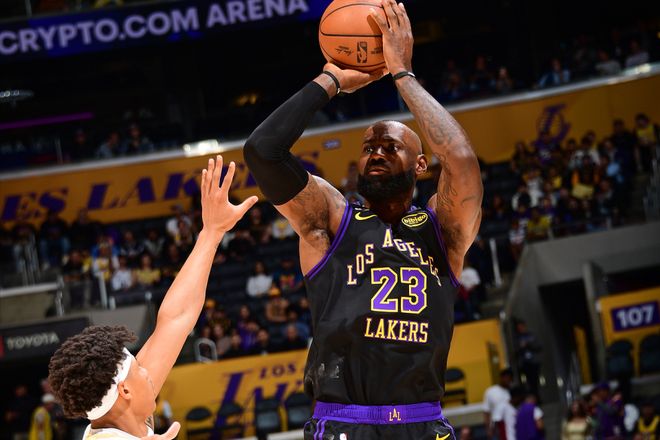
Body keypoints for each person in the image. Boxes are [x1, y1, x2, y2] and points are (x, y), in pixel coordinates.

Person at [243, 0, 482, 438]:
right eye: (369, 148)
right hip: (344, 422)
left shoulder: (443, 230)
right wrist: (331, 80)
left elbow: (462, 158)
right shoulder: (332, 219)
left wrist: (402, 74)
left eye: (391, 147)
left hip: (422, 422)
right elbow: (263, 151)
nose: (376, 153)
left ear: (421, 165)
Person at [47, 156, 257, 440]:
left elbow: (177, 318)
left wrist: (211, 232)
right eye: (139, 371)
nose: (147, 372)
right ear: (125, 390)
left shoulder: (123, 414)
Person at [483, 368, 514, 439]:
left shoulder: (512, 392)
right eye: (506, 378)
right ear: (501, 378)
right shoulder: (491, 391)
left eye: (510, 378)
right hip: (496, 427)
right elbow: (486, 412)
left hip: (510, 425)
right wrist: (488, 429)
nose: (508, 380)